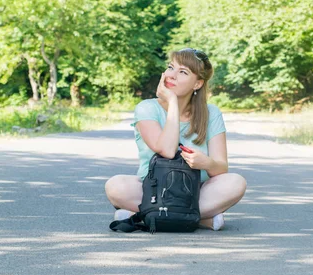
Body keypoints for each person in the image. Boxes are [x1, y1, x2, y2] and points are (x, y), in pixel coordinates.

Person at [105, 48, 247, 230]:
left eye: (183, 72)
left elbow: (221, 168)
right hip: (153, 191)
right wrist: (172, 103)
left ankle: (145, 216)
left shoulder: (211, 113)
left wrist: (206, 163)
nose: (172, 75)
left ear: (197, 84)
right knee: (115, 186)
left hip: (194, 192)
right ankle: (200, 219)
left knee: (236, 182)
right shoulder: (146, 108)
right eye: (171, 67)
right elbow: (167, 150)